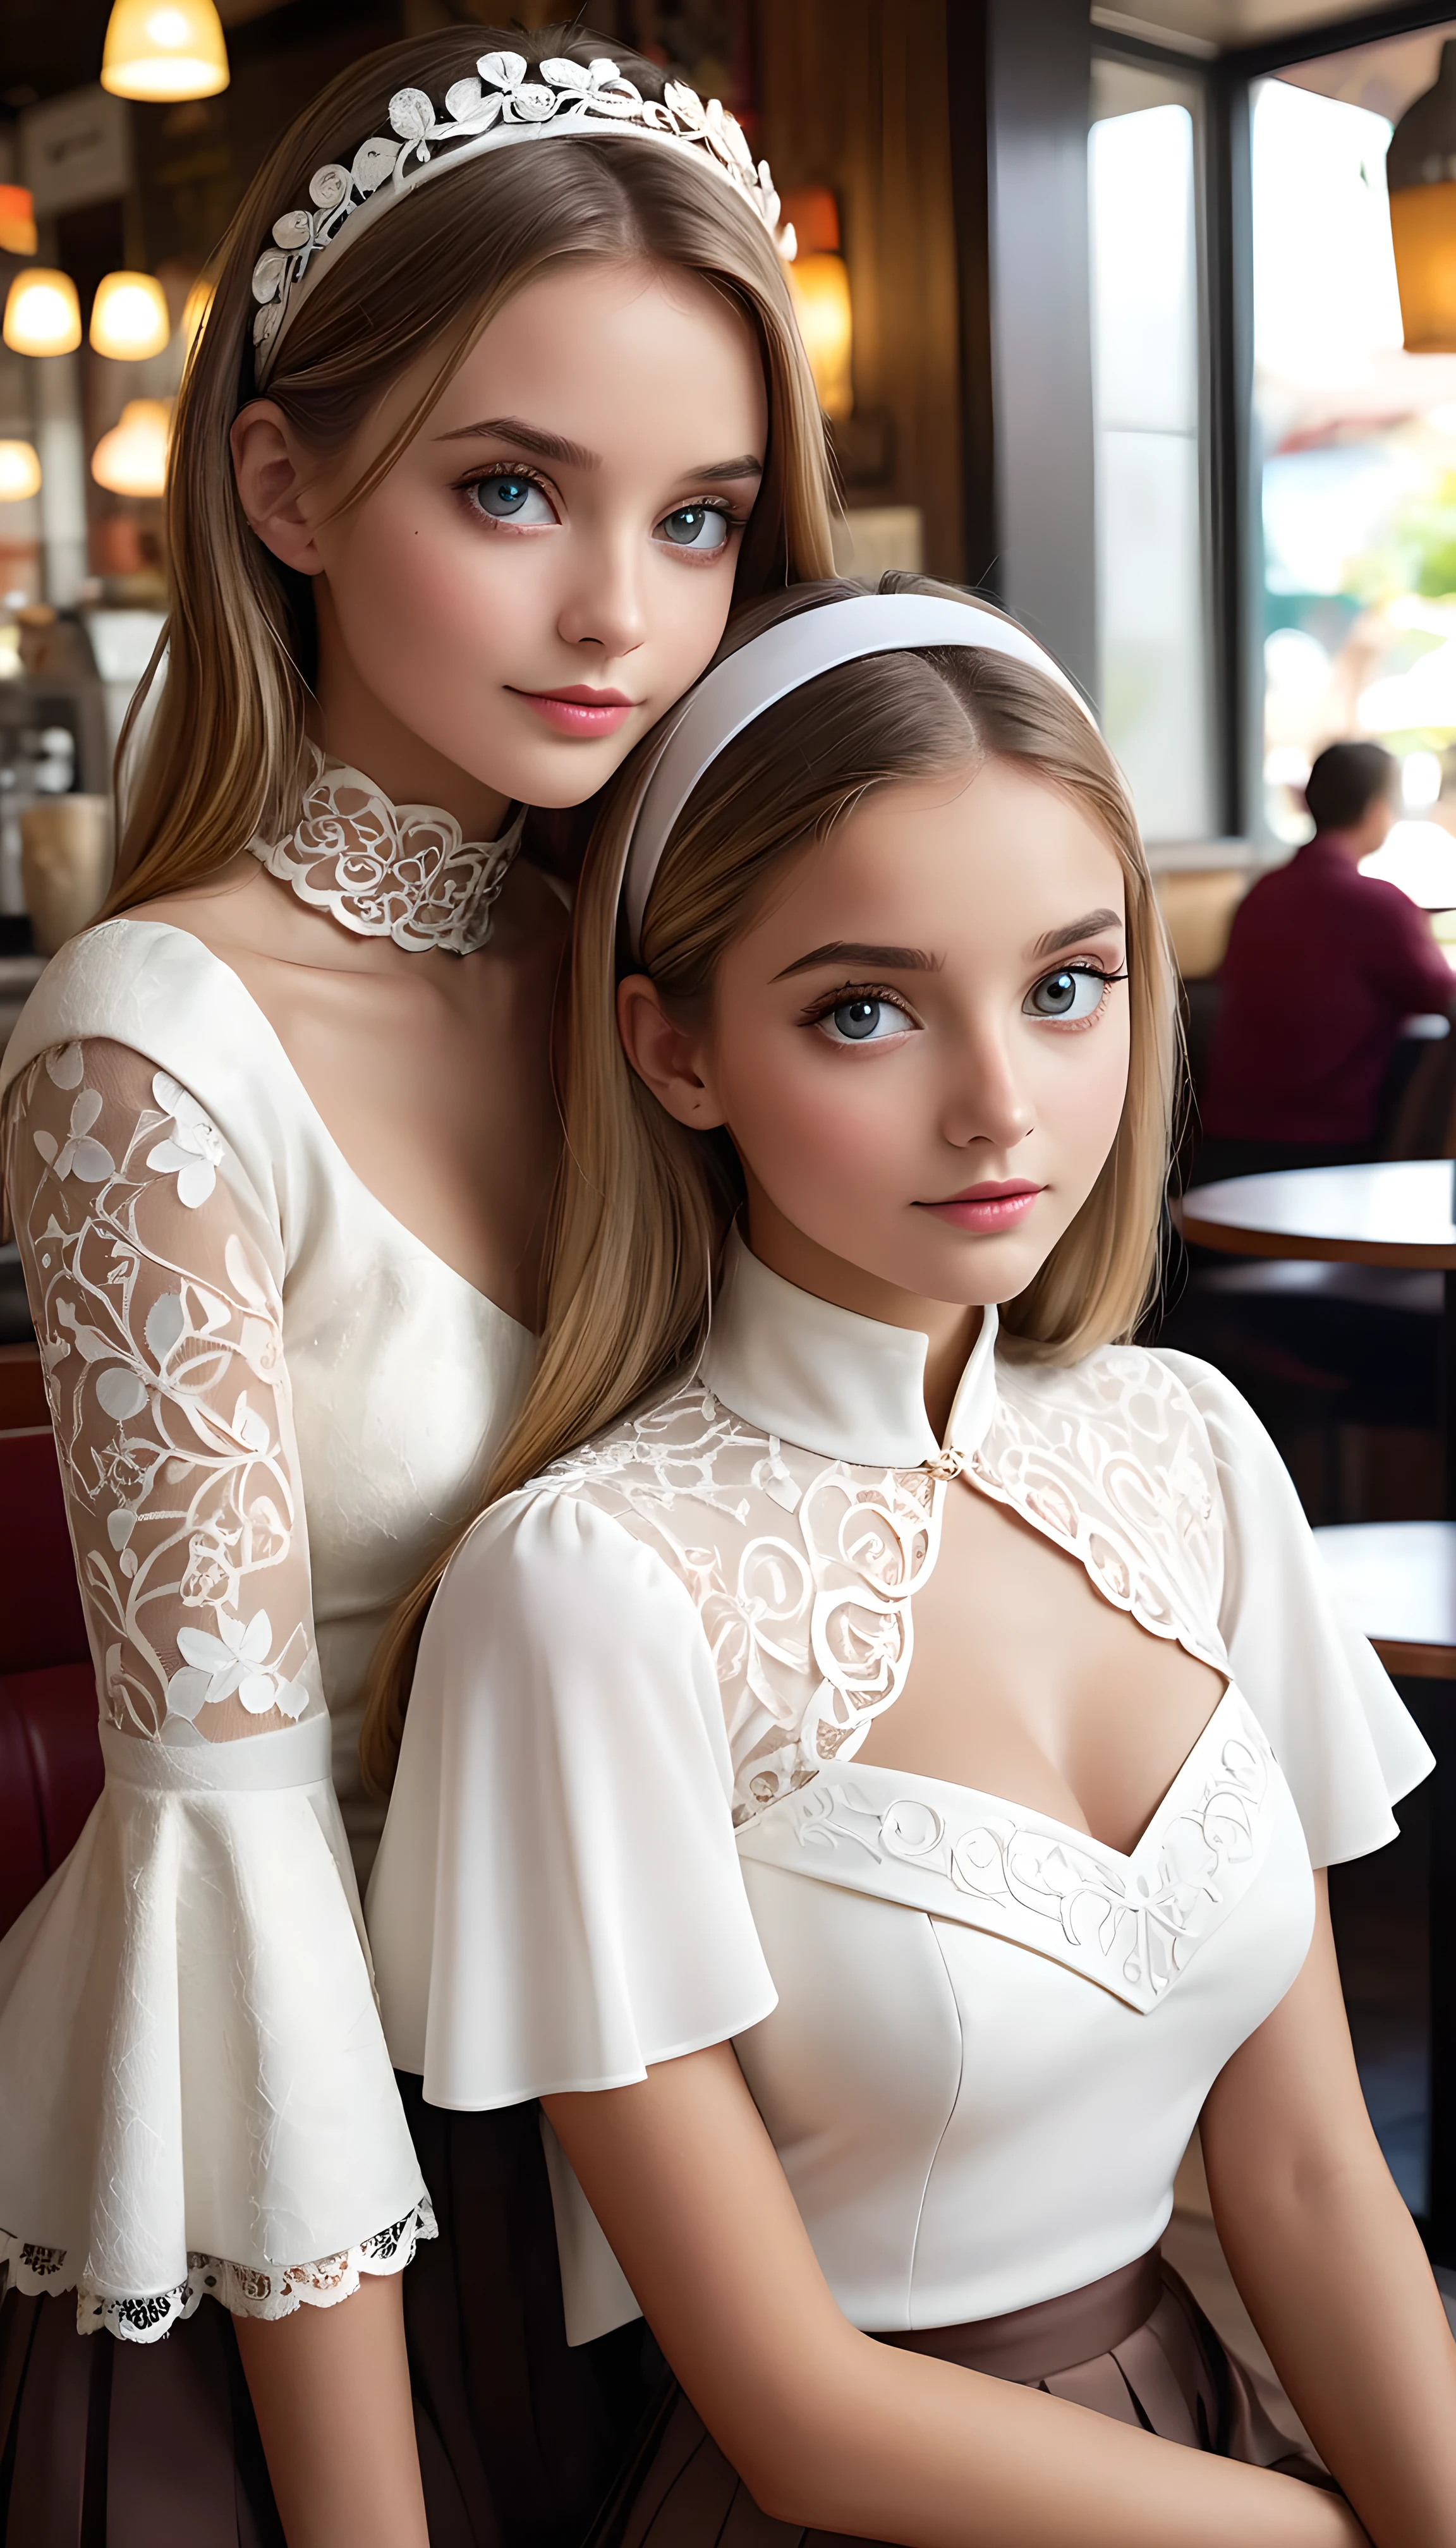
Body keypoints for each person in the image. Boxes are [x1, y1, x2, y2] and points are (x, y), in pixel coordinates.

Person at [367, 578, 1455, 2548]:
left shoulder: (1193, 1450)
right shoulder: (591, 1586)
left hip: (1203, 2444)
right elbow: (795, 2409)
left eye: (1068, 985)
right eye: (864, 1009)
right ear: (675, 1050)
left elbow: (1305, 2179)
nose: (1001, 1105)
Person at [0, 25, 833, 2547]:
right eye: (509, 491)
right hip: (340, 2226)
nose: (620, 611)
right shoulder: (158, 1036)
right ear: (286, 483)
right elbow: (233, 1846)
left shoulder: (673, 980)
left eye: (699, 521)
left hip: (707, 2103)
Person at [1198, 740, 1453, 1182]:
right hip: (1325, 1148)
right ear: (1376, 809)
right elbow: (1445, 997)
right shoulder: (1377, 906)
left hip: (1220, 1142)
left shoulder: (1260, 895)